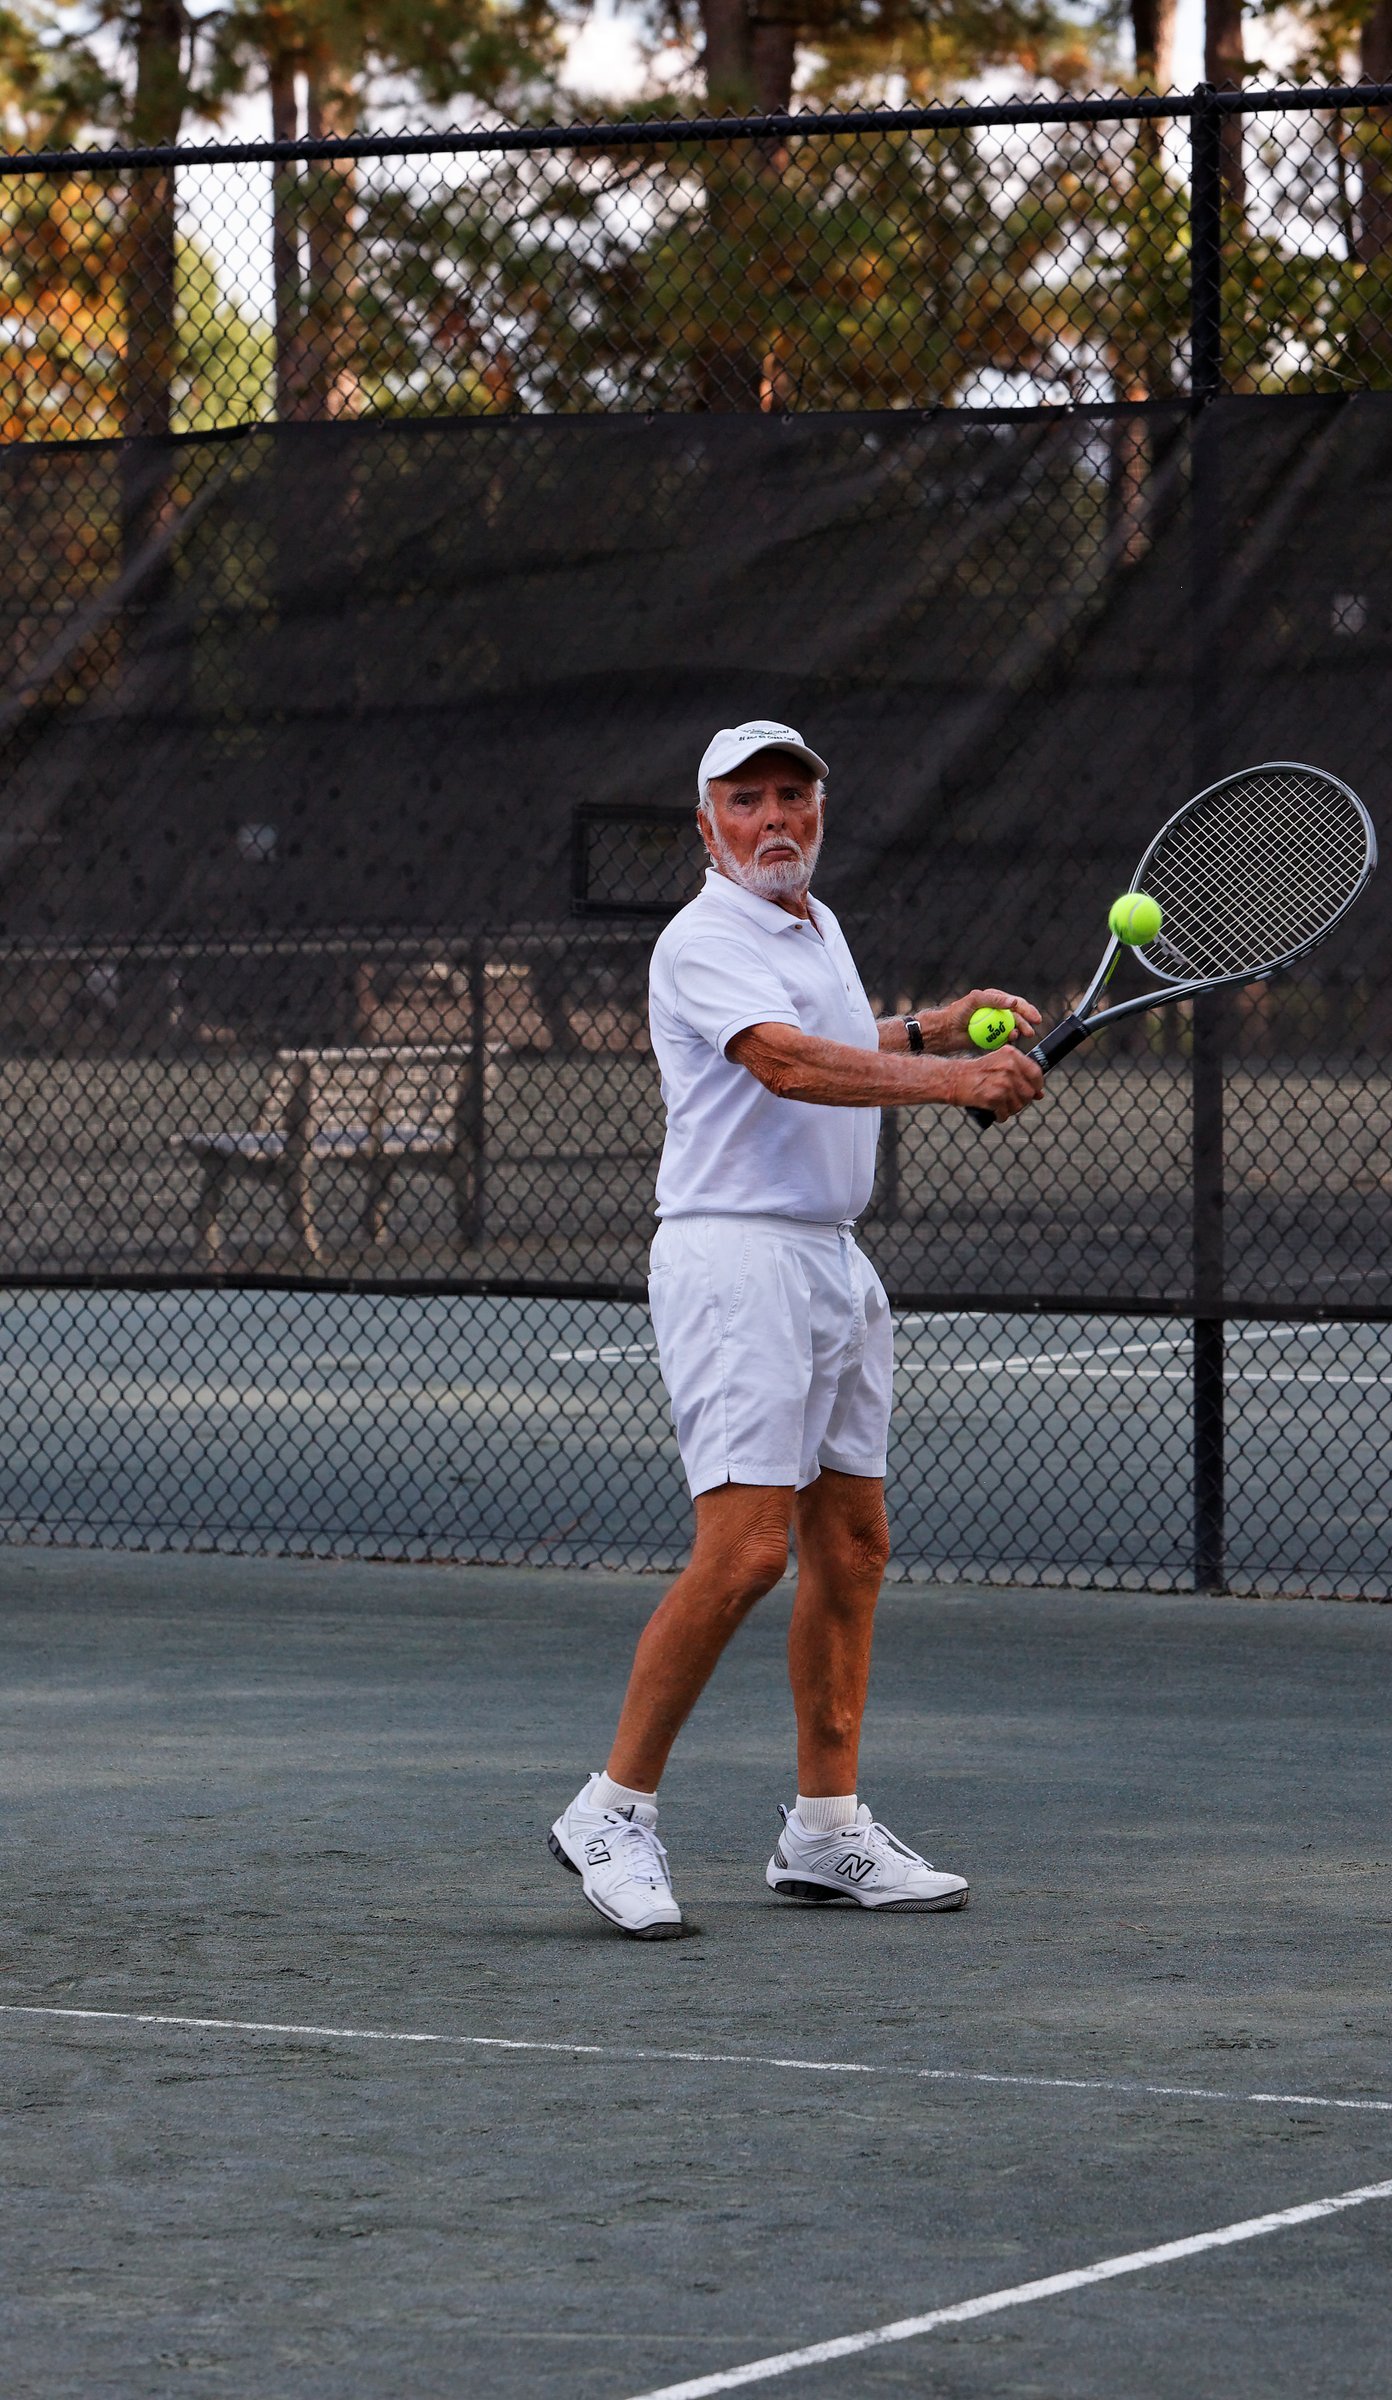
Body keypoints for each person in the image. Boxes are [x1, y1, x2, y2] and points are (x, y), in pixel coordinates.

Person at [549, 720, 1044, 1937]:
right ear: (705, 824)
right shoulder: (703, 938)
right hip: (736, 1260)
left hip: (829, 1259)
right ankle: (611, 1812)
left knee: (854, 1545)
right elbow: (781, 1062)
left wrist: (930, 1029)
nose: (775, 818)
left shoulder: (813, 926)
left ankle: (825, 1831)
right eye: (747, 800)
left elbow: (832, 1041)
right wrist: (953, 1082)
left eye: (793, 795)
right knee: (744, 1553)